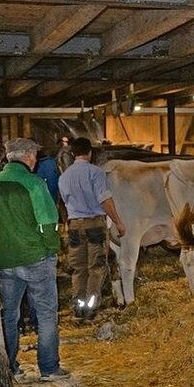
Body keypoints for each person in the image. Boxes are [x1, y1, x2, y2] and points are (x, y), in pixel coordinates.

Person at [0, 138, 66, 381]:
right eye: (34, 155)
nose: (35, 159)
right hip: (36, 257)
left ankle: (10, 366)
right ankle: (49, 367)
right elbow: (48, 222)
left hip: (4, 259)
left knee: (9, 314)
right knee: (46, 313)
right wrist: (52, 249)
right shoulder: (34, 183)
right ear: (28, 156)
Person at [58, 137, 125, 322]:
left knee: (78, 268)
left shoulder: (64, 177)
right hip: (94, 224)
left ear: (73, 153)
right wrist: (118, 222)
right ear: (90, 152)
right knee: (96, 267)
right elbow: (104, 200)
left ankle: (78, 308)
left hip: (74, 226)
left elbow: (64, 202)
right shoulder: (96, 173)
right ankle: (91, 308)